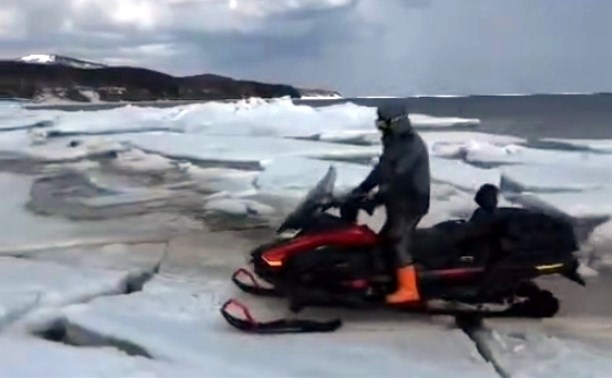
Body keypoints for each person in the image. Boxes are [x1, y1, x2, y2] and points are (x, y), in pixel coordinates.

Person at [349, 103, 430, 305]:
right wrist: (362, 188)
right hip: (397, 198)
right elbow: (383, 169)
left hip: (412, 199)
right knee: (384, 239)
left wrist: (377, 197)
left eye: (383, 123)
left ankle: (409, 290)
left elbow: (397, 174)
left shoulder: (411, 144)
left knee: (396, 239)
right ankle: (385, 278)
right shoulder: (393, 141)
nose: (379, 127)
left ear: (395, 122)